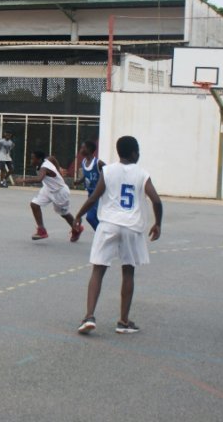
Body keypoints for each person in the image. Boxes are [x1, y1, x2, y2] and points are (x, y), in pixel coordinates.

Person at [75, 136, 162, 335]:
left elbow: (94, 197)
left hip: (108, 224)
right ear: (134, 153)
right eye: (138, 151)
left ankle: (89, 316)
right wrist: (158, 224)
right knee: (128, 271)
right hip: (131, 227)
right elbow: (156, 200)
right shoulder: (142, 174)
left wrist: (78, 215)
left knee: (98, 269)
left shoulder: (108, 170)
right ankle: (123, 321)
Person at [18, 150, 78, 241]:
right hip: (48, 189)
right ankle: (42, 230)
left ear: (39, 159)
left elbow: (39, 179)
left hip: (60, 192)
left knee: (64, 214)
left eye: (32, 159)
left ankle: (77, 229)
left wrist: (23, 180)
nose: (31, 161)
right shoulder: (47, 160)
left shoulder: (44, 168)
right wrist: (59, 170)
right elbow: (53, 158)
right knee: (34, 204)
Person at [77, 140, 105, 231]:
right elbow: (86, 175)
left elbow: (109, 173)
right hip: (90, 194)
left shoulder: (98, 163)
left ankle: (102, 236)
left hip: (99, 195)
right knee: (96, 218)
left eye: (82, 148)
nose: (80, 150)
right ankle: (103, 235)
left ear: (89, 149)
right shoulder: (84, 162)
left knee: (90, 217)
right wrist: (79, 181)